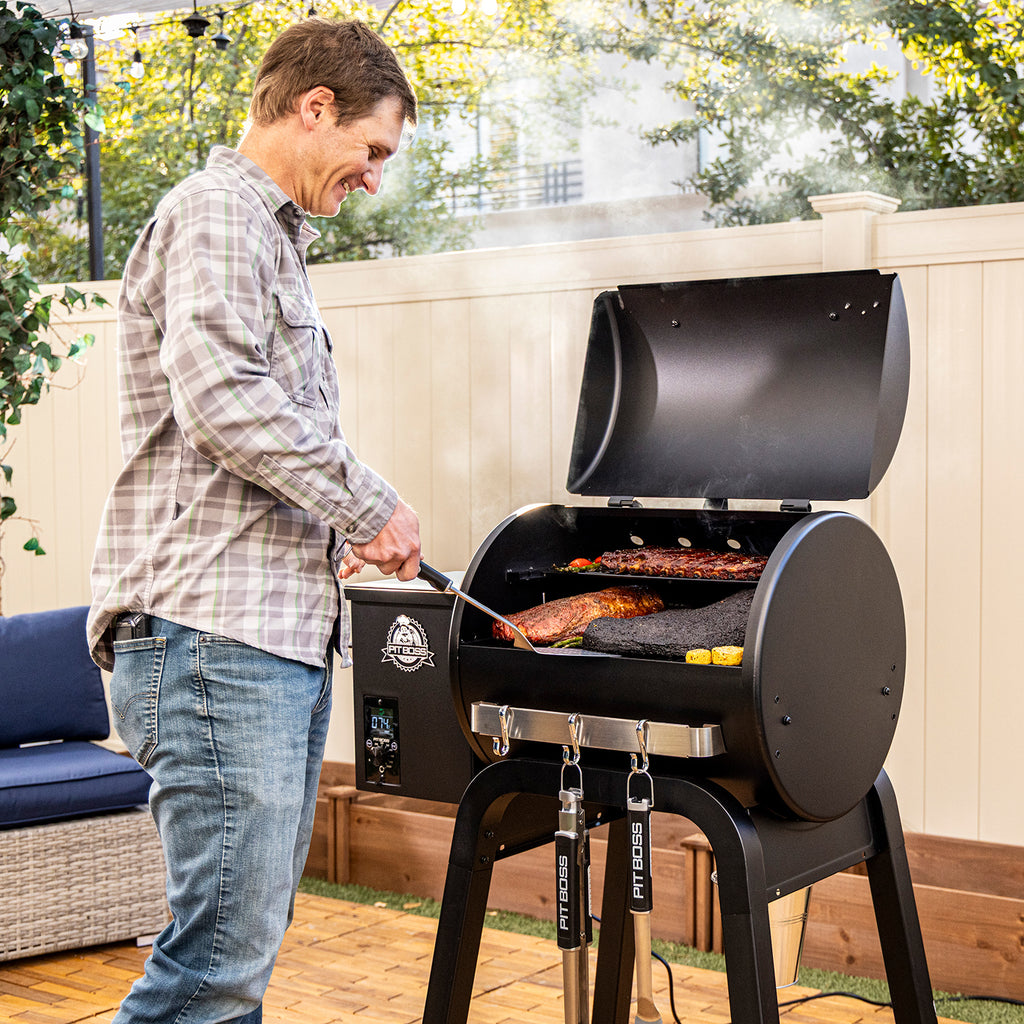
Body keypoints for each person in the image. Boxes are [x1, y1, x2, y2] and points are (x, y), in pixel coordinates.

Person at [87, 18, 421, 1024]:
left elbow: (241, 438)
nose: (372, 177)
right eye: (372, 149)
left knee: (231, 959)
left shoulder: (265, 235)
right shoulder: (221, 215)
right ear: (315, 107)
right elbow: (226, 401)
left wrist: (335, 532)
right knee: (214, 969)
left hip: (251, 640)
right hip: (212, 642)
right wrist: (372, 504)